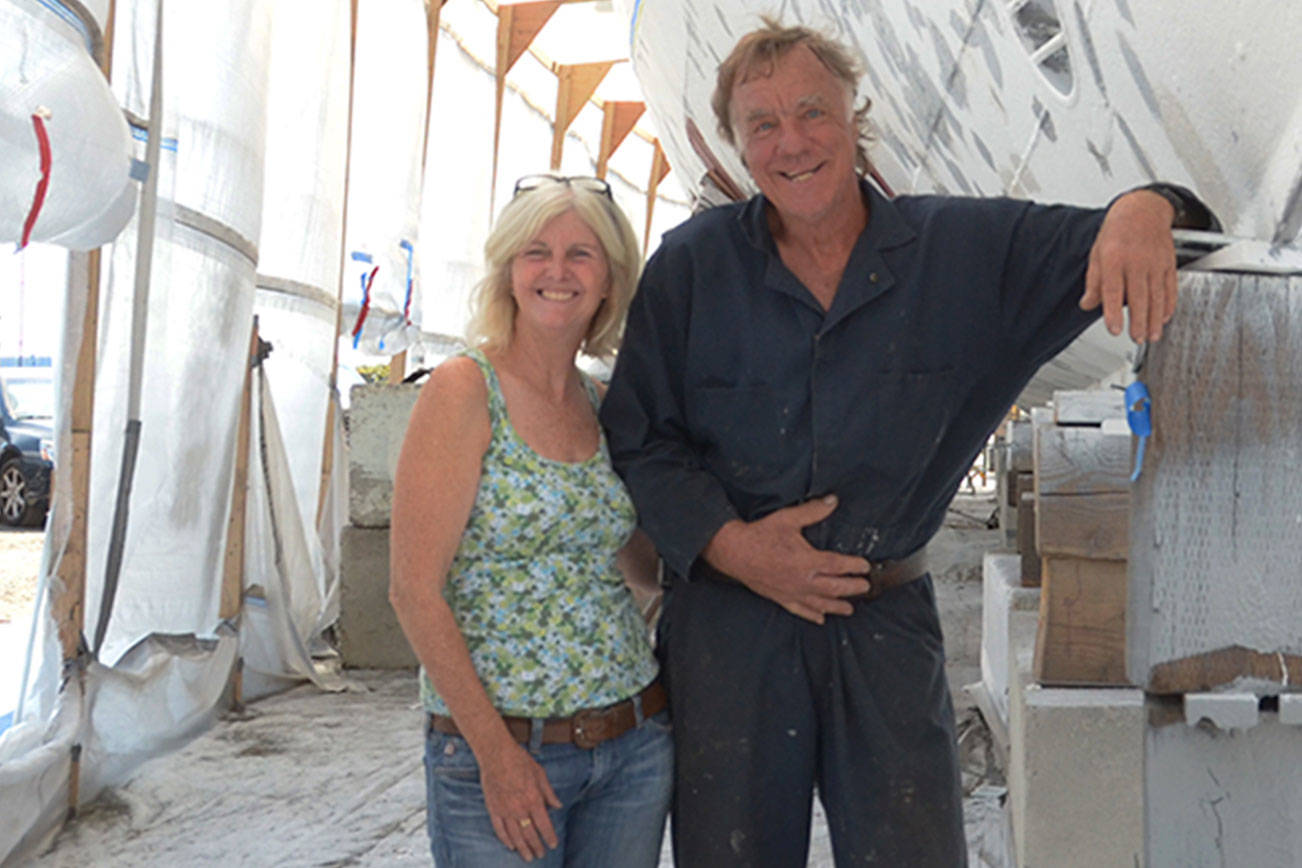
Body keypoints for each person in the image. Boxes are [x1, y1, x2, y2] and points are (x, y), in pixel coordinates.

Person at [599, 19, 1216, 868]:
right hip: (729, 635)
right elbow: (637, 441)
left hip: (882, 622)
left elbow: (1134, 235)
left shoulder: (962, 253)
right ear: (738, 150)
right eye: (762, 126)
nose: (792, 143)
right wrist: (734, 547)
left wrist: (1150, 203)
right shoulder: (691, 267)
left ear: (857, 116)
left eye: (813, 112)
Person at [390, 174, 671, 867]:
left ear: (609, 280)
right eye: (536, 252)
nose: (557, 271)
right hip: (505, 746)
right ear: (510, 271)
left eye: (582, 255)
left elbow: (636, 562)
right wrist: (496, 756)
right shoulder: (465, 390)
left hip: (632, 742)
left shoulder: (602, 402)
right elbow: (413, 591)